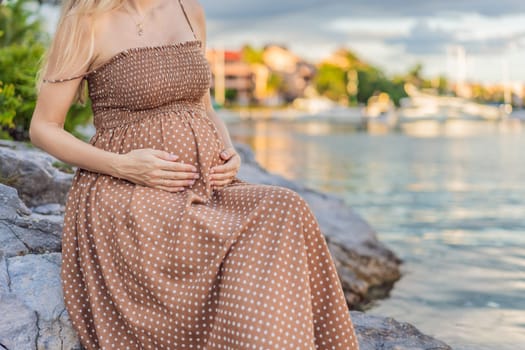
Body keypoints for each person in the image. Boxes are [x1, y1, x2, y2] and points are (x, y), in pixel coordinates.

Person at [29, 0, 360, 348]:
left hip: (206, 184)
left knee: (285, 206)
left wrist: (229, 150)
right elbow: (44, 127)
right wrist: (124, 165)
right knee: (211, 241)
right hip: (126, 190)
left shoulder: (189, 9)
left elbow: (203, 104)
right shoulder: (85, 21)